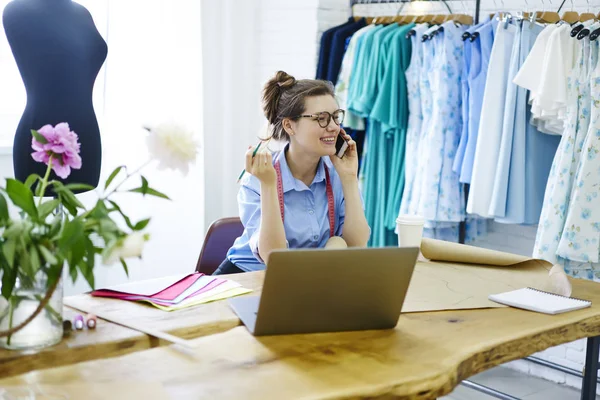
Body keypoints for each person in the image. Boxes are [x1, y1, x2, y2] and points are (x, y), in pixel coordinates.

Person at [213, 71, 370, 275]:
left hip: (303, 279)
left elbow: (356, 247)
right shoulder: (258, 179)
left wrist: (349, 178)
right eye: (321, 118)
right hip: (247, 276)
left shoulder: (337, 174)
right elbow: (273, 255)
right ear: (289, 125)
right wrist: (269, 185)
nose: (333, 127)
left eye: (335, 117)